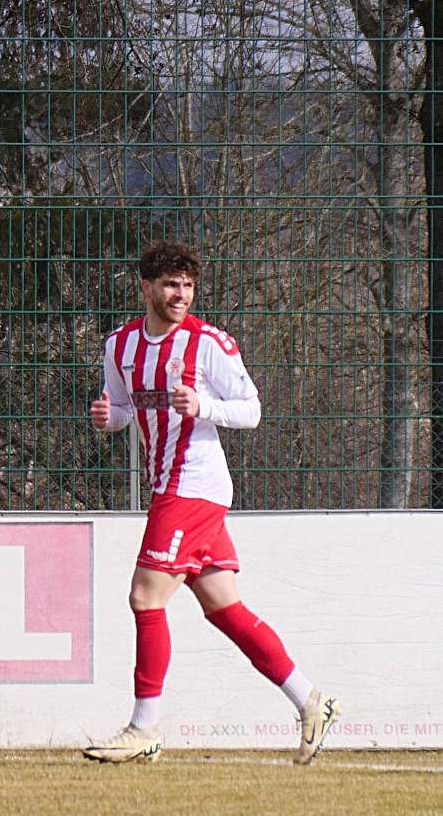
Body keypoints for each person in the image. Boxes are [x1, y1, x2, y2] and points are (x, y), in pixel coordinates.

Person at [83, 239, 341, 765]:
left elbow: (252, 411)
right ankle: (311, 701)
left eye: (188, 286)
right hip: (167, 486)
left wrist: (204, 406)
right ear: (146, 288)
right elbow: (125, 409)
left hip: (195, 487)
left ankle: (143, 728)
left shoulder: (209, 344)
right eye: (170, 285)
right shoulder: (120, 346)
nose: (180, 295)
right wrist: (108, 419)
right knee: (224, 609)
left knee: (145, 597)